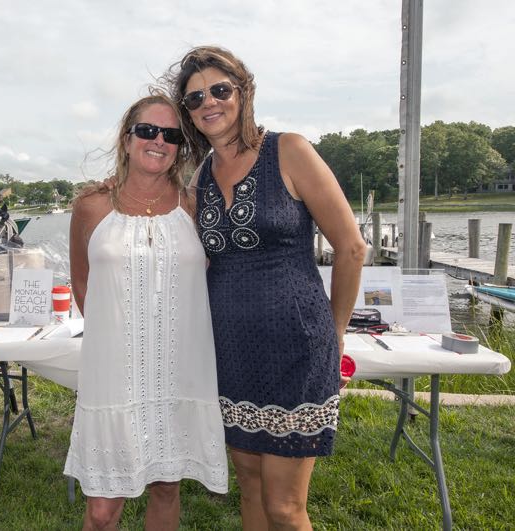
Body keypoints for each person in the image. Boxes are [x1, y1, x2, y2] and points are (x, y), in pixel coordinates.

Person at [161, 46, 366, 529]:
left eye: (219, 90)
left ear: (243, 91)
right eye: (194, 99)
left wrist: (334, 336)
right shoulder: (202, 177)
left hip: (296, 348)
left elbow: (352, 248)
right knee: (249, 489)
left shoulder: (288, 150)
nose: (208, 102)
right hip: (230, 353)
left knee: (286, 507)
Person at [64, 92, 228, 531]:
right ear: (127, 138)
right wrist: (116, 335)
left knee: (166, 488)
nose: (159, 141)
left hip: (178, 369)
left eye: (171, 134)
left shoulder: (195, 207)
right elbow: (82, 284)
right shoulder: (91, 206)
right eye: (148, 130)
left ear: (181, 145)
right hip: (114, 375)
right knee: (102, 510)